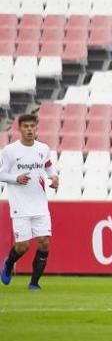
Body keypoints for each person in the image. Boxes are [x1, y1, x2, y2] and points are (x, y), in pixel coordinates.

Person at [0, 114, 59, 290]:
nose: (29, 129)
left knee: (44, 242)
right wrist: (15, 178)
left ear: (36, 128)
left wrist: (54, 177)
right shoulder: (10, 151)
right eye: (25, 126)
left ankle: (34, 283)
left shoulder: (43, 148)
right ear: (19, 129)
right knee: (23, 246)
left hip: (40, 204)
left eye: (32, 126)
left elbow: (48, 165)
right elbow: (1, 174)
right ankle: (9, 263)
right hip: (20, 205)